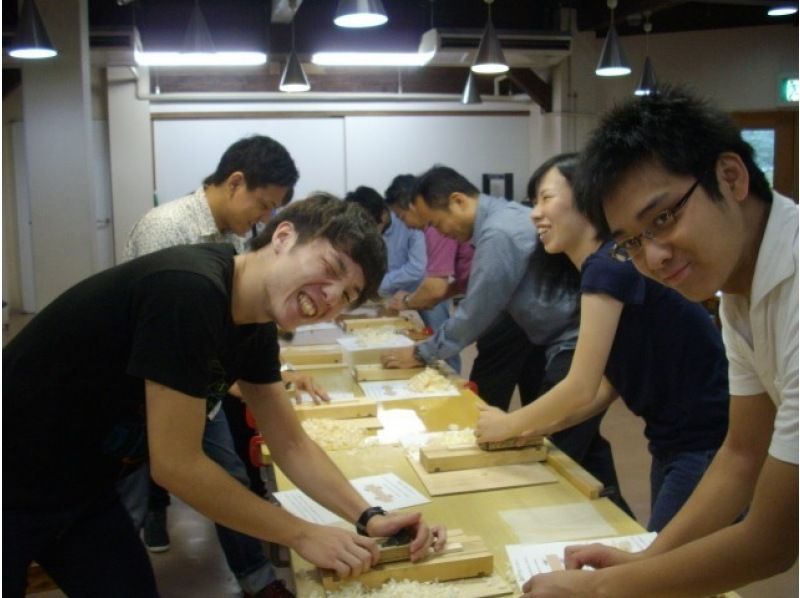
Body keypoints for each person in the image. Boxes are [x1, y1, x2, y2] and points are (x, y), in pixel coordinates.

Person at [4, 194, 447, 598]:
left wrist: (370, 517)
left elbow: (291, 443)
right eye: (330, 269)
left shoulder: (255, 325)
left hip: (79, 487)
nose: (331, 297)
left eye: (347, 295)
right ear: (283, 236)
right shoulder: (188, 290)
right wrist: (301, 533)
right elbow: (176, 465)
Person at [519, 86, 797, 597]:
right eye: (631, 242)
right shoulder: (738, 291)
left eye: (663, 218)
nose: (655, 257)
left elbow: (774, 540)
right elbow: (740, 455)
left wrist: (601, 590)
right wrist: (645, 560)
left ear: (730, 177)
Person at [118, 134, 327, 597]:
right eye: (264, 204)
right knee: (128, 496)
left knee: (227, 476)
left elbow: (236, 330)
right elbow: (166, 337)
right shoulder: (166, 228)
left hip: (201, 384)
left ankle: (257, 580)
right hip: (149, 386)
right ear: (235, 183)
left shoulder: (235, 239)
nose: (265, 218)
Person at [476, 153, 730, 532]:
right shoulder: (608, 262)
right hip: (678, 443)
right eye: (534, 202)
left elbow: (580, 386)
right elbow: (604, 388)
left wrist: (508, 423)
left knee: (664, 562)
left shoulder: (607, 265)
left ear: (587, 198)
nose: (535, 213)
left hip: (705, 445)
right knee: (663, 555)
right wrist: (533, 429)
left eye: (546, 198)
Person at [380, 166, 628, 512]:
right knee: (582, 446)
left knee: (554, 451)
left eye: (436, 223)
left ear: (458, 201)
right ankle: (622, 522)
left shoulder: (499, 232)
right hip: (559, 339)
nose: (440, 233)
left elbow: (477, 310)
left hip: (571, 341)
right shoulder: (501, 221)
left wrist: (423, 353)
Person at [383, 174, 474, 373]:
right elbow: (462, 281)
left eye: (402, 216)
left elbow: (434, 288)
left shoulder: (436, 228)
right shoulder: (435, 227)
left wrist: (407, 301)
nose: (405, 225)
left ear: (415, 206)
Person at [344, 185, 427, 298]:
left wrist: (379, 285)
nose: (367, 233)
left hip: (416, 293)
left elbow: (417, 268)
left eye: (370, 227)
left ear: (383, 215)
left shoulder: (408, 220)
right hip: (382, 296)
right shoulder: (363, 229)